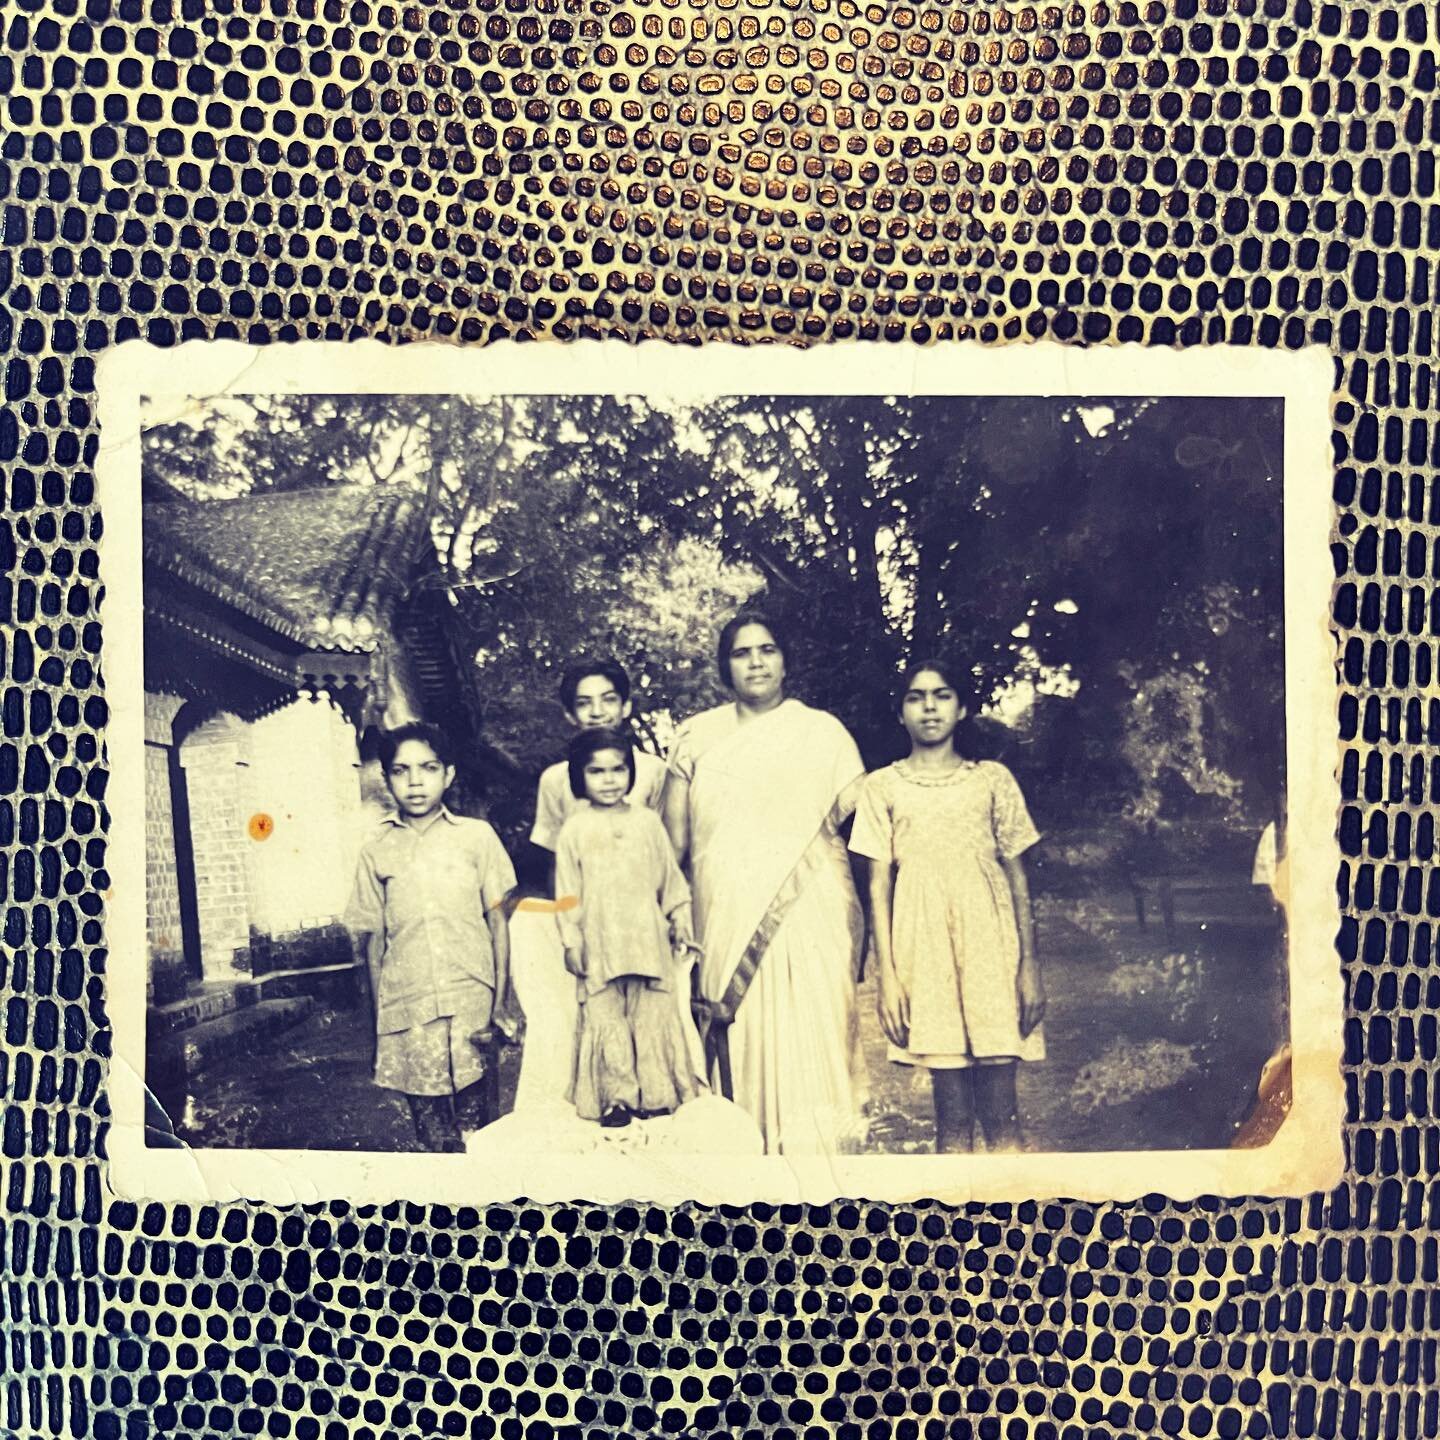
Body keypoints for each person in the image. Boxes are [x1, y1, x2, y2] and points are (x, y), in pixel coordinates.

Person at [664, 610, 868, 1155]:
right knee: (740, 1036)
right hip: (723, 913)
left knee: (812, 1035)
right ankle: (744, 1176)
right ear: (724, 667)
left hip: (810, 913)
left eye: (767, 650)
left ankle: (821, 1172)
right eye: (741, 652)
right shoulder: (695, 737)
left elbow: (863, 835)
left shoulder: (823, 733)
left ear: (784, 661)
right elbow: (672, 847)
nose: (756, 662)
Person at [850, 660, 1045, 1154]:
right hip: (927, 954)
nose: (929, 706)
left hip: (990, 951)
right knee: (953, 1119)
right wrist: (887, 978)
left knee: (1002, 1114)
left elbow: (1019, 877)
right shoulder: (881, 787)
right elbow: (878, 887)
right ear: (901, 712)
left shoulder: (992, 780)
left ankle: (1016, 1223)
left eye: (941, 695)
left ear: (961, 709)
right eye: (916, 697)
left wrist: (1029, 966)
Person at [344, 723, 516, 1153]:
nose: (415, 781)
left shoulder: (476, 837)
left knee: (482, 1139)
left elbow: (499, 926)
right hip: (410, 1009)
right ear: (386, 779)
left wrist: (501, 1004)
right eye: (401, 771)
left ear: (449, 774)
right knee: (432, 1142)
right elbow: (373, 943)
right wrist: (376, 1027)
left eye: (428, 768)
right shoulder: (375, 849)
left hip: (471, 1003)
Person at [555, 728, 703, 1128]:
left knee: (651, 1017)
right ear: (579, 776)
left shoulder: (648, 823)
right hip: (600, 945)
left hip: (646, 942)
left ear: (630, 773)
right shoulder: (574, 830)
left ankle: (656, 1095)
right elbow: (567, 893)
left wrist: (679, 921)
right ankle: (616, 1098)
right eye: (597, 771)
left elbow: (670, 881)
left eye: (618, 770)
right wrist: (571, 940)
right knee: (607, 1020)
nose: (609, 779)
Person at [530, 659, 668, 860]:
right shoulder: (554, 779)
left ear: (626, 707)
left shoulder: (654, 769)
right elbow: (555, 858)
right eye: (584, 703)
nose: (597, 712)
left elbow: (670, 848)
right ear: (570, 715)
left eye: (609, 700)